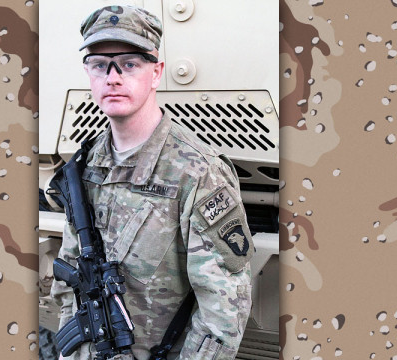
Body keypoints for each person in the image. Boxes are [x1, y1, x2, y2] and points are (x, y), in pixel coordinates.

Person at [51, 5, 254, 360]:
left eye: (129, 64)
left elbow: (224, 310)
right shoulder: (84, 165)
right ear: (88, 72)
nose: (112, 78)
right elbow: (70, 275)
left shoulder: (198, 172)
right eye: (100, 64)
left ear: (156, 72)